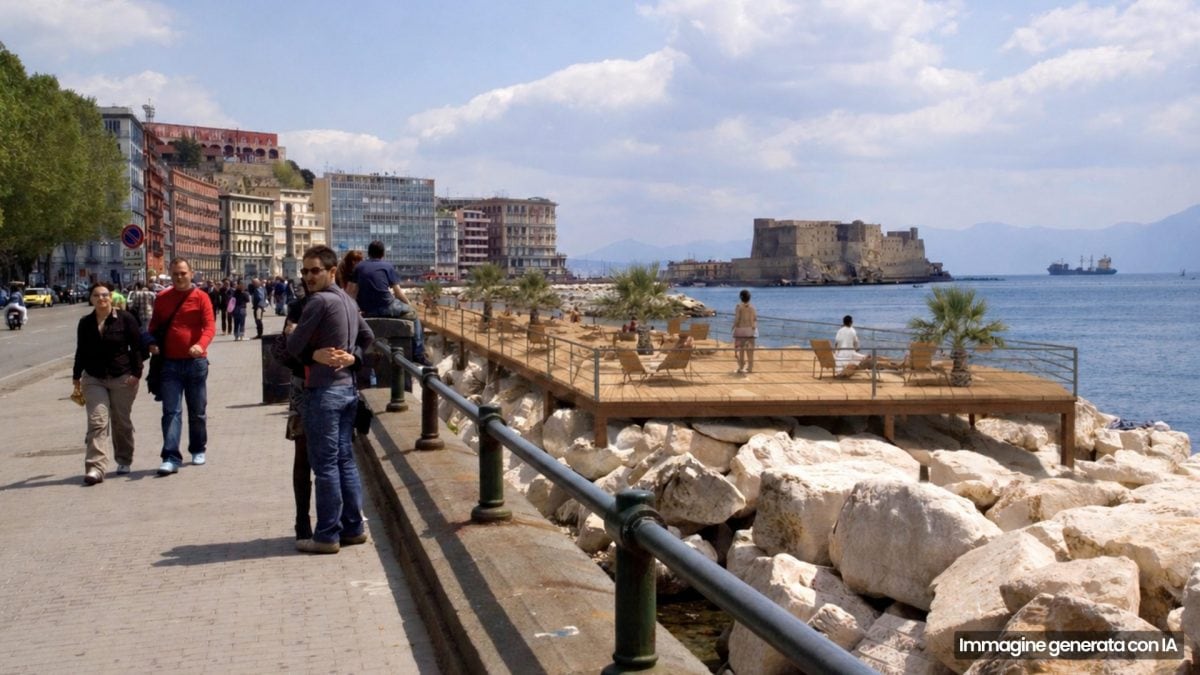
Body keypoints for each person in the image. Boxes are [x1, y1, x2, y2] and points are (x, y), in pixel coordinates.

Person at [287, 245, 374, 554]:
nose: (309, 276)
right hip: (348, 390)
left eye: (315, 271)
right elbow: (368, 337)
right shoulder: (348, 302)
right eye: (305, 271)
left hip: (323, 392)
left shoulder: (318, 303)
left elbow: (292, 347)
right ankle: (353, 528)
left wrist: (311, 351)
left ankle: (326, 535)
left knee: (324, 465)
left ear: (332, 271)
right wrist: (354, 358)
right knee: (344, 460)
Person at [148, 258, 216, 476]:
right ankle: (170, 456)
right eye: (176, 273)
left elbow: (209, 326)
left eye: (183, 273)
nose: (179, 277)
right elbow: (154, 326)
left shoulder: (201, 297)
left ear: (191, 273)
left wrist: (200, 344)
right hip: (170, 363)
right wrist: (151, 343)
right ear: (170, 274)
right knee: (171, 411)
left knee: (197, 411)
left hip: (196, 363)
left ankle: (198, 448)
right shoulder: (162, 298)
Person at [71, 283, 144, 484]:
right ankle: (95, 468)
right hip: (94, 378)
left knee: (121, 421)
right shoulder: (85, 323)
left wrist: (136, 373)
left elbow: (138, 348)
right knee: (97, 422)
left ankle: (124, 459)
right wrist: (76, 376)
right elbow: (81, 351)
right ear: (91, 299)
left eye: (105, 295)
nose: (101, 298)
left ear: (111, 297)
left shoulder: (125, 319)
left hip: (122, 377)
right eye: (97, 295)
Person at [346, 240, 427, 363]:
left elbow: (351, 293)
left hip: (367, 309)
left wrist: (355, 309)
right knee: (414, 316)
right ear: (383, 254)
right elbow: (398, 293)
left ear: (369, 253)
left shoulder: (359, 267)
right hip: (386, 305)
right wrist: (409, 305)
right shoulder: (387, 266)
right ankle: (418, 353)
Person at [732, 289, 758, 374]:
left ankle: (741, 367)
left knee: (741, 349)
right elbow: (755, 319)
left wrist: (733, 327)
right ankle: (750, 367)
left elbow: (737, 319)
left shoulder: (738, 307)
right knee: (750, 349)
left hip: (741, 330)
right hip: (750, 330)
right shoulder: (752, 307)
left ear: (741, 297)